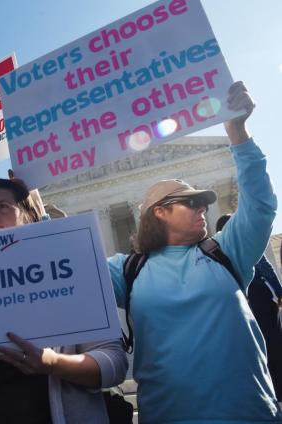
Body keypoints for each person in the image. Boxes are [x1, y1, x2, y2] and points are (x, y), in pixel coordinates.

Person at [107, 82, 282, 422]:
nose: (203, 207)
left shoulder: (226, 251)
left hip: (250, 416)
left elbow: (260, 205)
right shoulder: (126, 270)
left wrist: (238, 132)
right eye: (191, 201)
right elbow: (67, 275)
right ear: (158, 211)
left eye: (204, 201)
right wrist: (31, 210)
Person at [0, 168, 128, 423]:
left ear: (30, 218)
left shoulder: (75, 268)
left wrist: (54, 363)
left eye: (3, 206)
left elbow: (114, 363)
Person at [216, 213, 282, 401]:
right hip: (260, 297)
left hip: (241, 301)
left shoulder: (218, 248)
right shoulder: (244, 241)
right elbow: (265, 268)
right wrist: (279, 292)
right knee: (273, 342)